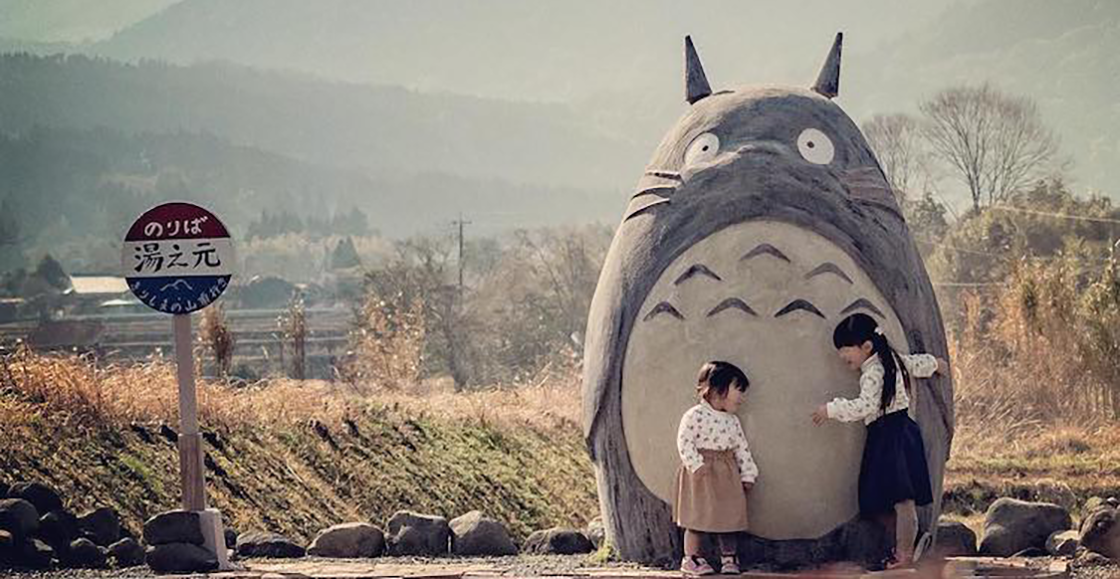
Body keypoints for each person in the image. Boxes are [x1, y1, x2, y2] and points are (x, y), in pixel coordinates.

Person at [811, 313, 948, 568]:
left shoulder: (873, 372)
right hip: (902, 431)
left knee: (901, 498)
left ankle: (905, 554)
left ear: (866, 347)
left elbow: (865, 406)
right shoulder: (895, 361)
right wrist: (936, 364)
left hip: (888, 435)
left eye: (845, 350)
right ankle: (904, 548)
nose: (842, 356)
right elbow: (916, 363)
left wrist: (830, 409)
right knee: (897, 497)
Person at [675, 361, 759, 576]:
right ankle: (692, 558)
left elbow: (741, 448)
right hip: (700, 473)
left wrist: (748, 473)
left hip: (726, 474)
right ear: (717, 389)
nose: (741, 396)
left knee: (727, 516)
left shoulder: (732, 421)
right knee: (696, 517)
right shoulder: (694, 416)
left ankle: (729, 556)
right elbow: (684, 442)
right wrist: (695, 464)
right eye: (738, 389)